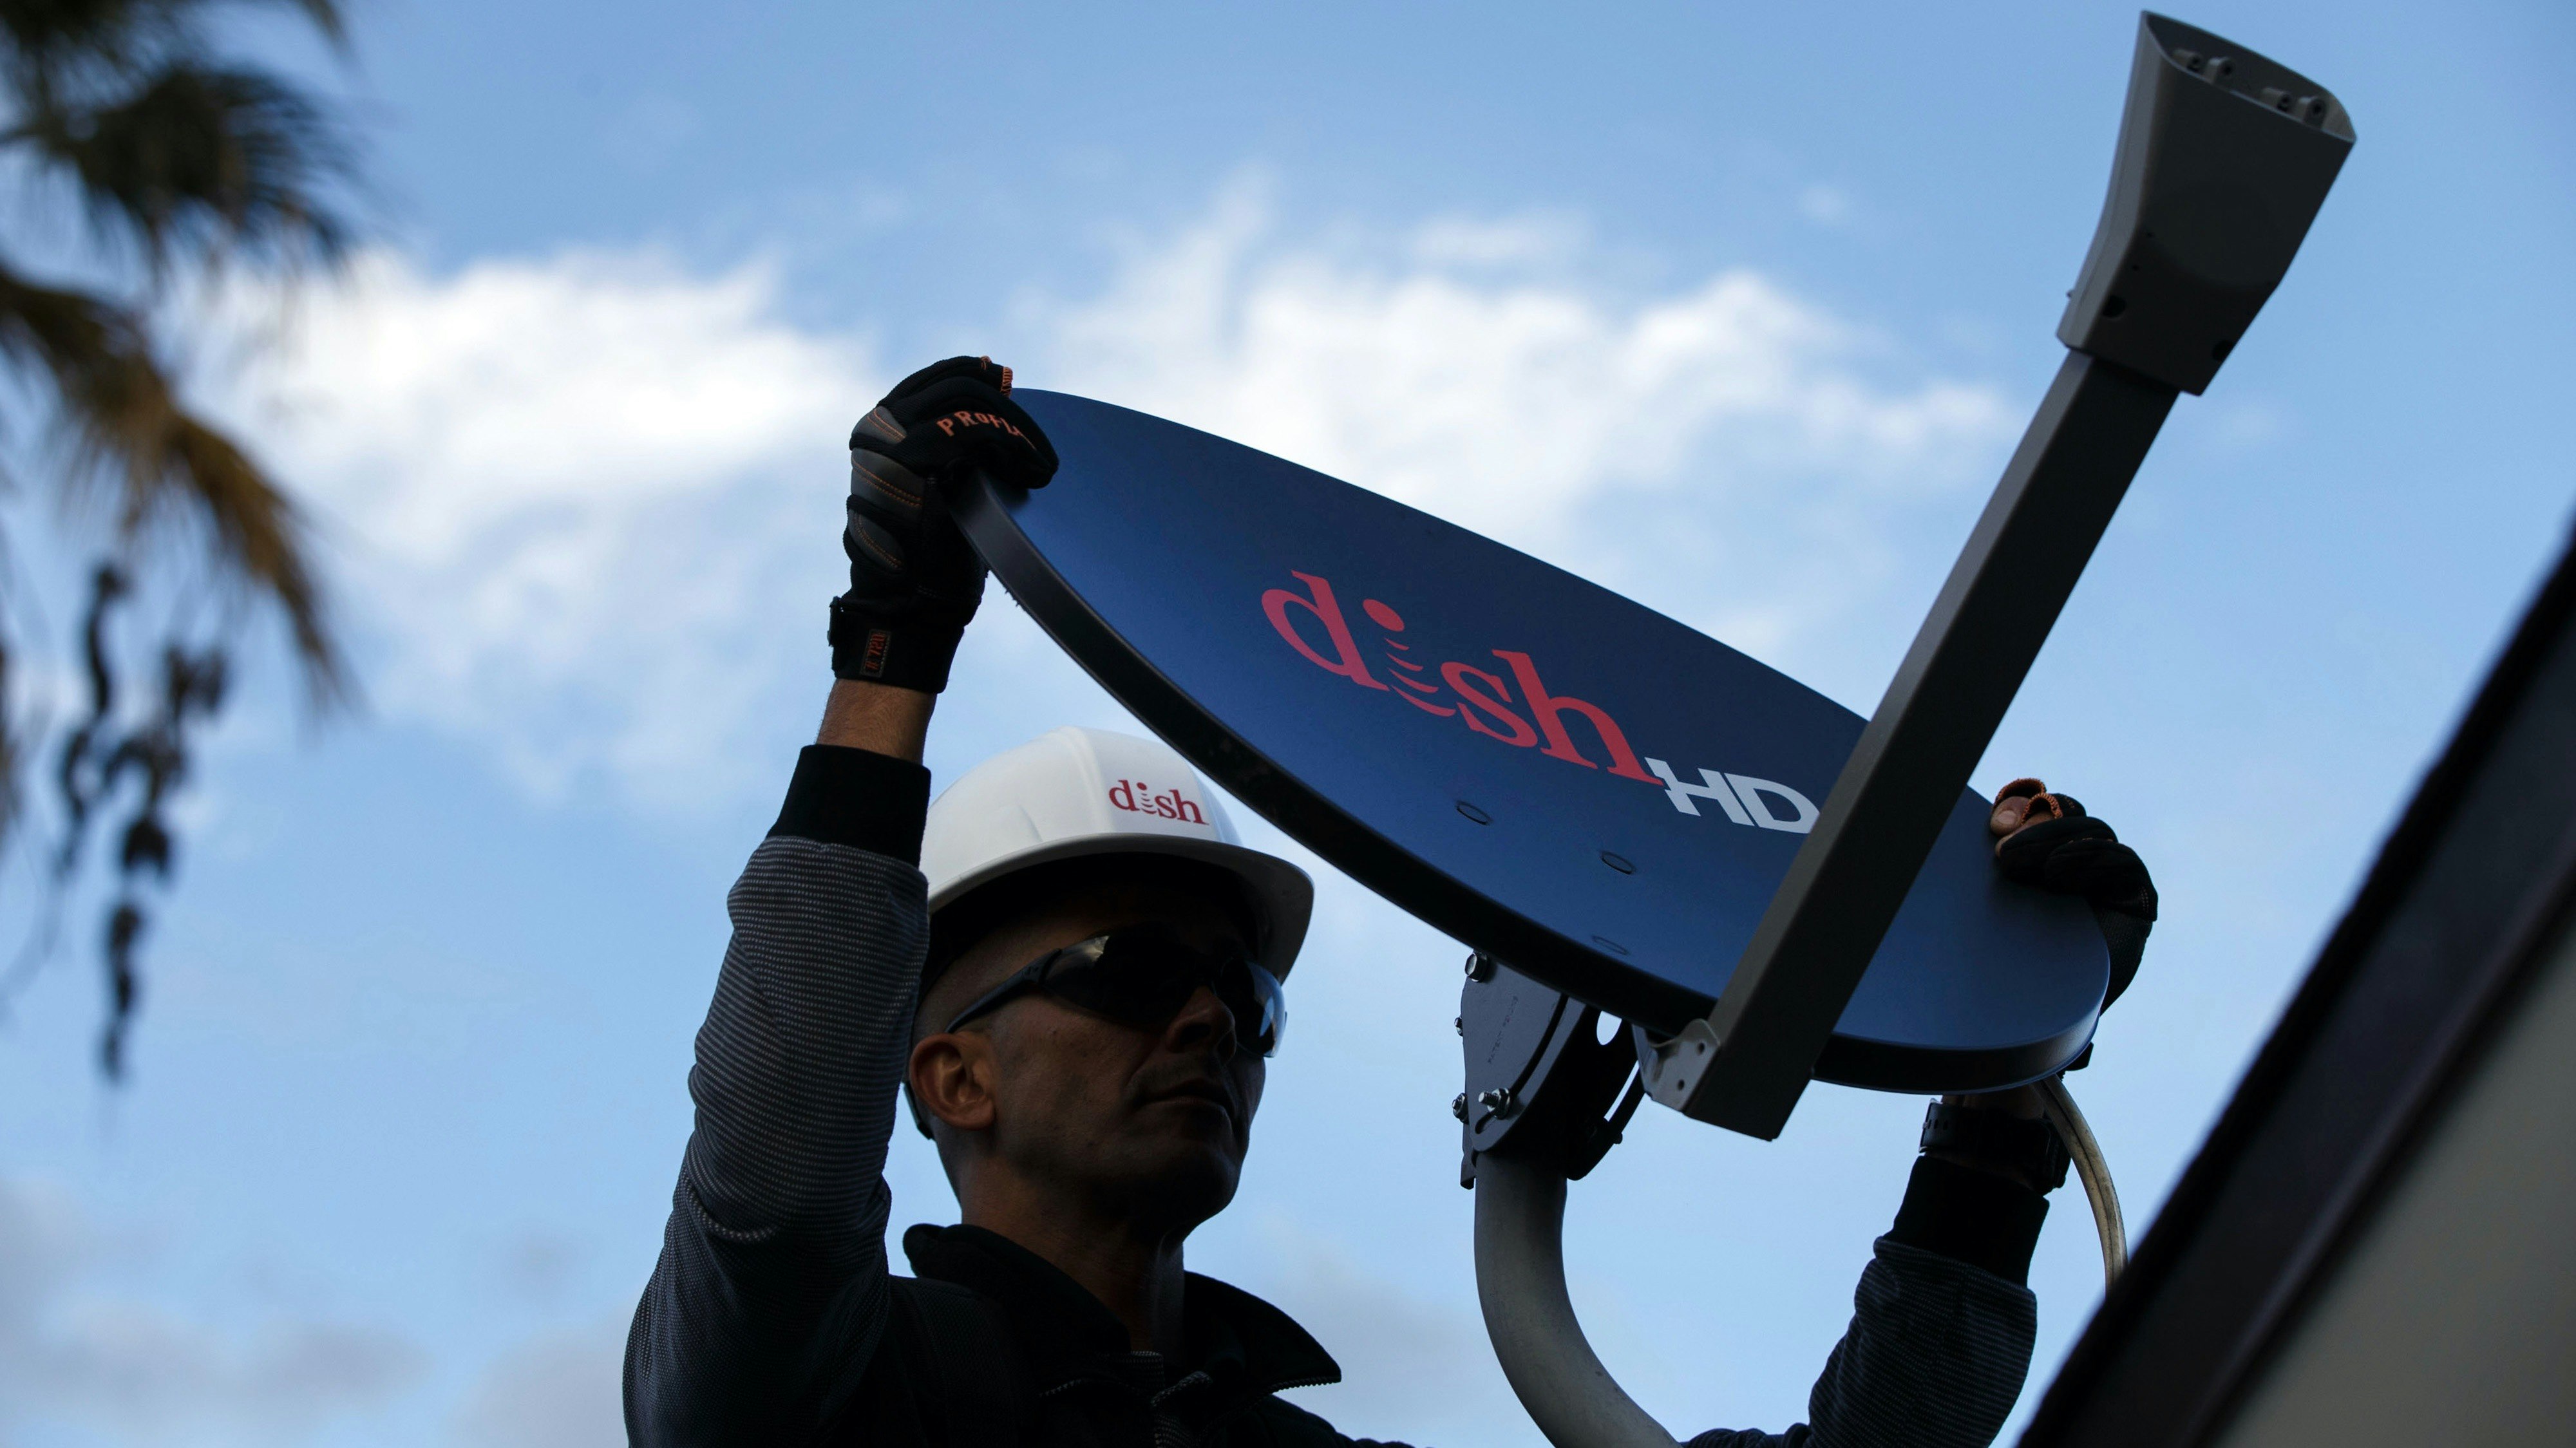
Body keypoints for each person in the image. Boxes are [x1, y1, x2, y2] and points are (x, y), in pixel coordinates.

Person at [623, 357, 2161, 1448]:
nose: (1209, 1013)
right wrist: (886, 656)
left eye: (1246, 992)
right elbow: (771, 1182)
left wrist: (1998, 1075)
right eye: (1125, 968)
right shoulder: (816, 1393)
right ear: (944, 1070)